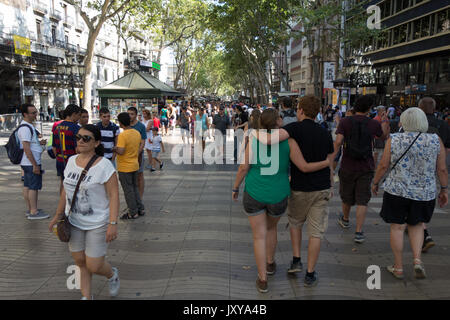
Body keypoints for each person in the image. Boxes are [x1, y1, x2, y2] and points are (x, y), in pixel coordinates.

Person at [232, 108, 330, 293]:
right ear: (278, 121)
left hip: (254, 192)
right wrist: (327, 164)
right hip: (279, 195)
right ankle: (270, 263)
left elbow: (244, 168)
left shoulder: (254, 138)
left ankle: (262, 279)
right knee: (271, 228)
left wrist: (236, 187)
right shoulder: (289, 141)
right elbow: (302, 166)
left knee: (258, 235)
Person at [372, 107, 448, 280]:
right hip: (424, 193)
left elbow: (383, 165)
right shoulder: (435, 140)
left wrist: (375, 183)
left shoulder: (395, 139)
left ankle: (398, 267)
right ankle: (417, 260)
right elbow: (442, 169)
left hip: (397, 191)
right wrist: (444, 189)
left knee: (398, 227)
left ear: (403, 122)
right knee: (417, 225)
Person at [48, 124, 120, 300]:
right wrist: (57, 215)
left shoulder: (104, 166)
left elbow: (114, 195)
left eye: (86, 138)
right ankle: (87, 297)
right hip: (74, 221)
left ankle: (112, 275)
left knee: (94, 265)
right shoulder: (71, 161)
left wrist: (112, 223)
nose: (80, 141)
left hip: (98, 223)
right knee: (80, 262)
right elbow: (65, 190)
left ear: (96, 143)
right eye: (78, 137)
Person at [283, 95, 335, 287]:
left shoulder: (293, 129)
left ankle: (296, 259)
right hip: (321, 188)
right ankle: (310, 273)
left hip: (299, 187)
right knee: (316, 233)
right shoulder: (324, 132)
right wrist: (331, 184)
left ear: (301, 110)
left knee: (296, 223)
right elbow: (330, 162)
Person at [332, 96, 390, 243]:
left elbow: (338, 141)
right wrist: (383, 120)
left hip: (347, 165)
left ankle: (345, 219)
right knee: (362, 200)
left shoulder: (345, 122)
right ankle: (359, 231)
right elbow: (383, 136)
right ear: (369, 109)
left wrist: (330, 159)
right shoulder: (372, 123)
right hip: (366, 166)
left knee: (346, 195)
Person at [418, 97, 450, 252]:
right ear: (435, 108)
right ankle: (421, 230)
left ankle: (423, 233)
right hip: (434, 171)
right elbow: (447, 151)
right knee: (424, 202)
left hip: (415, 169)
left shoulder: (415, 123)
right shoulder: (443, 125)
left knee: (413, 205)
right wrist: (444, 188)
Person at [18, 104, 49, 220]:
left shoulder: (27, 126)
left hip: (28, 163)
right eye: (33, 113)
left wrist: (39, 143)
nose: (36, 115)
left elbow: (29, 144)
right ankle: (34, 211)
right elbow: (26, 148)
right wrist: (35, 165)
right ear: (25, 114)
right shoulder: (26, 128)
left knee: (27, 186)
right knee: (33, 187)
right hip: (31, 162)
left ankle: (31, 208)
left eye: (36, 112)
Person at [114, 112, 145, 219]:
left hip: (125, 167)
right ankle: (140, 208)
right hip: (135, 165)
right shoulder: (136, 133)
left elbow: (121, 151)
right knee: (135, 187)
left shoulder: (122, 135)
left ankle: (133, 212)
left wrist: (114, 148)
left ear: (120, 122)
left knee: (128, 190)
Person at [53, 104, 81, 193]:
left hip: (60, 160)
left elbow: (54, 147)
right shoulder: (75, 128)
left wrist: (58, 157)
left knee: (63, 181)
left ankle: (63, 203)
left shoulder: (57, 127)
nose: (79, 118)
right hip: (72, 160)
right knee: (74, 183)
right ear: (74, 114)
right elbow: (78, 148)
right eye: (78, 115)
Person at [127, 107, 146, 200]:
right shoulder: (125, 125)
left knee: (139, 175)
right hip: (127, 155)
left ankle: (140, 197)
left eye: (132, 114)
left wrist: (137, 152)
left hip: (138, 155)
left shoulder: (141, 126)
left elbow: (143, 142)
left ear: (136, 115)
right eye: (128, 114)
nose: (130, 116)